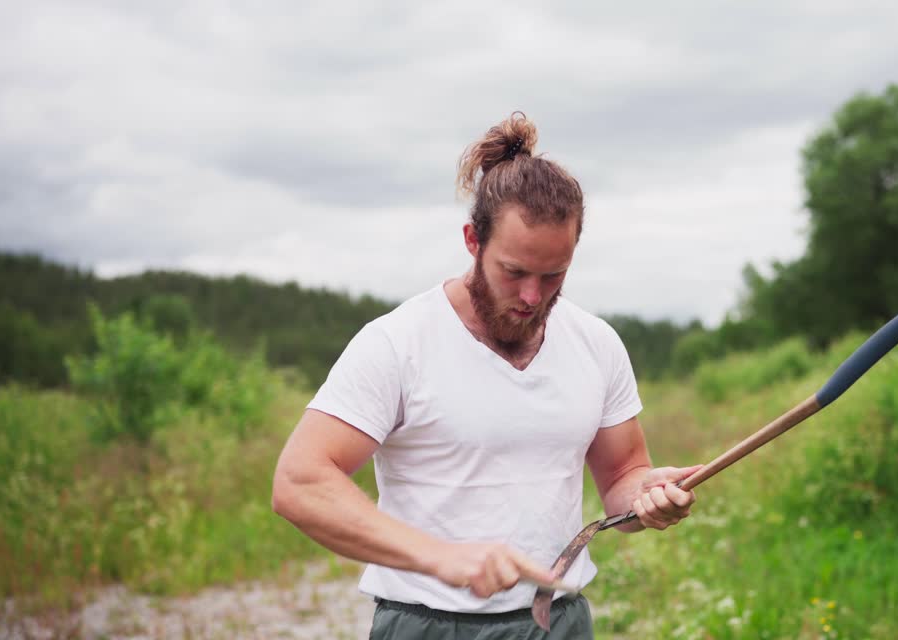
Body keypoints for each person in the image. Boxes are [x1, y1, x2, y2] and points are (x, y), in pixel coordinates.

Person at [272, 111, 700, 639]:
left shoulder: (596, 343)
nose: (532, 296)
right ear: (474, 240)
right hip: (429, 626)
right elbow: (299, 482)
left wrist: (646, 498)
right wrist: (438, 557)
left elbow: (622, 477)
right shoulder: (398, 343)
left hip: (558, 624)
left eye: (553, 276)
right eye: (514, 272)